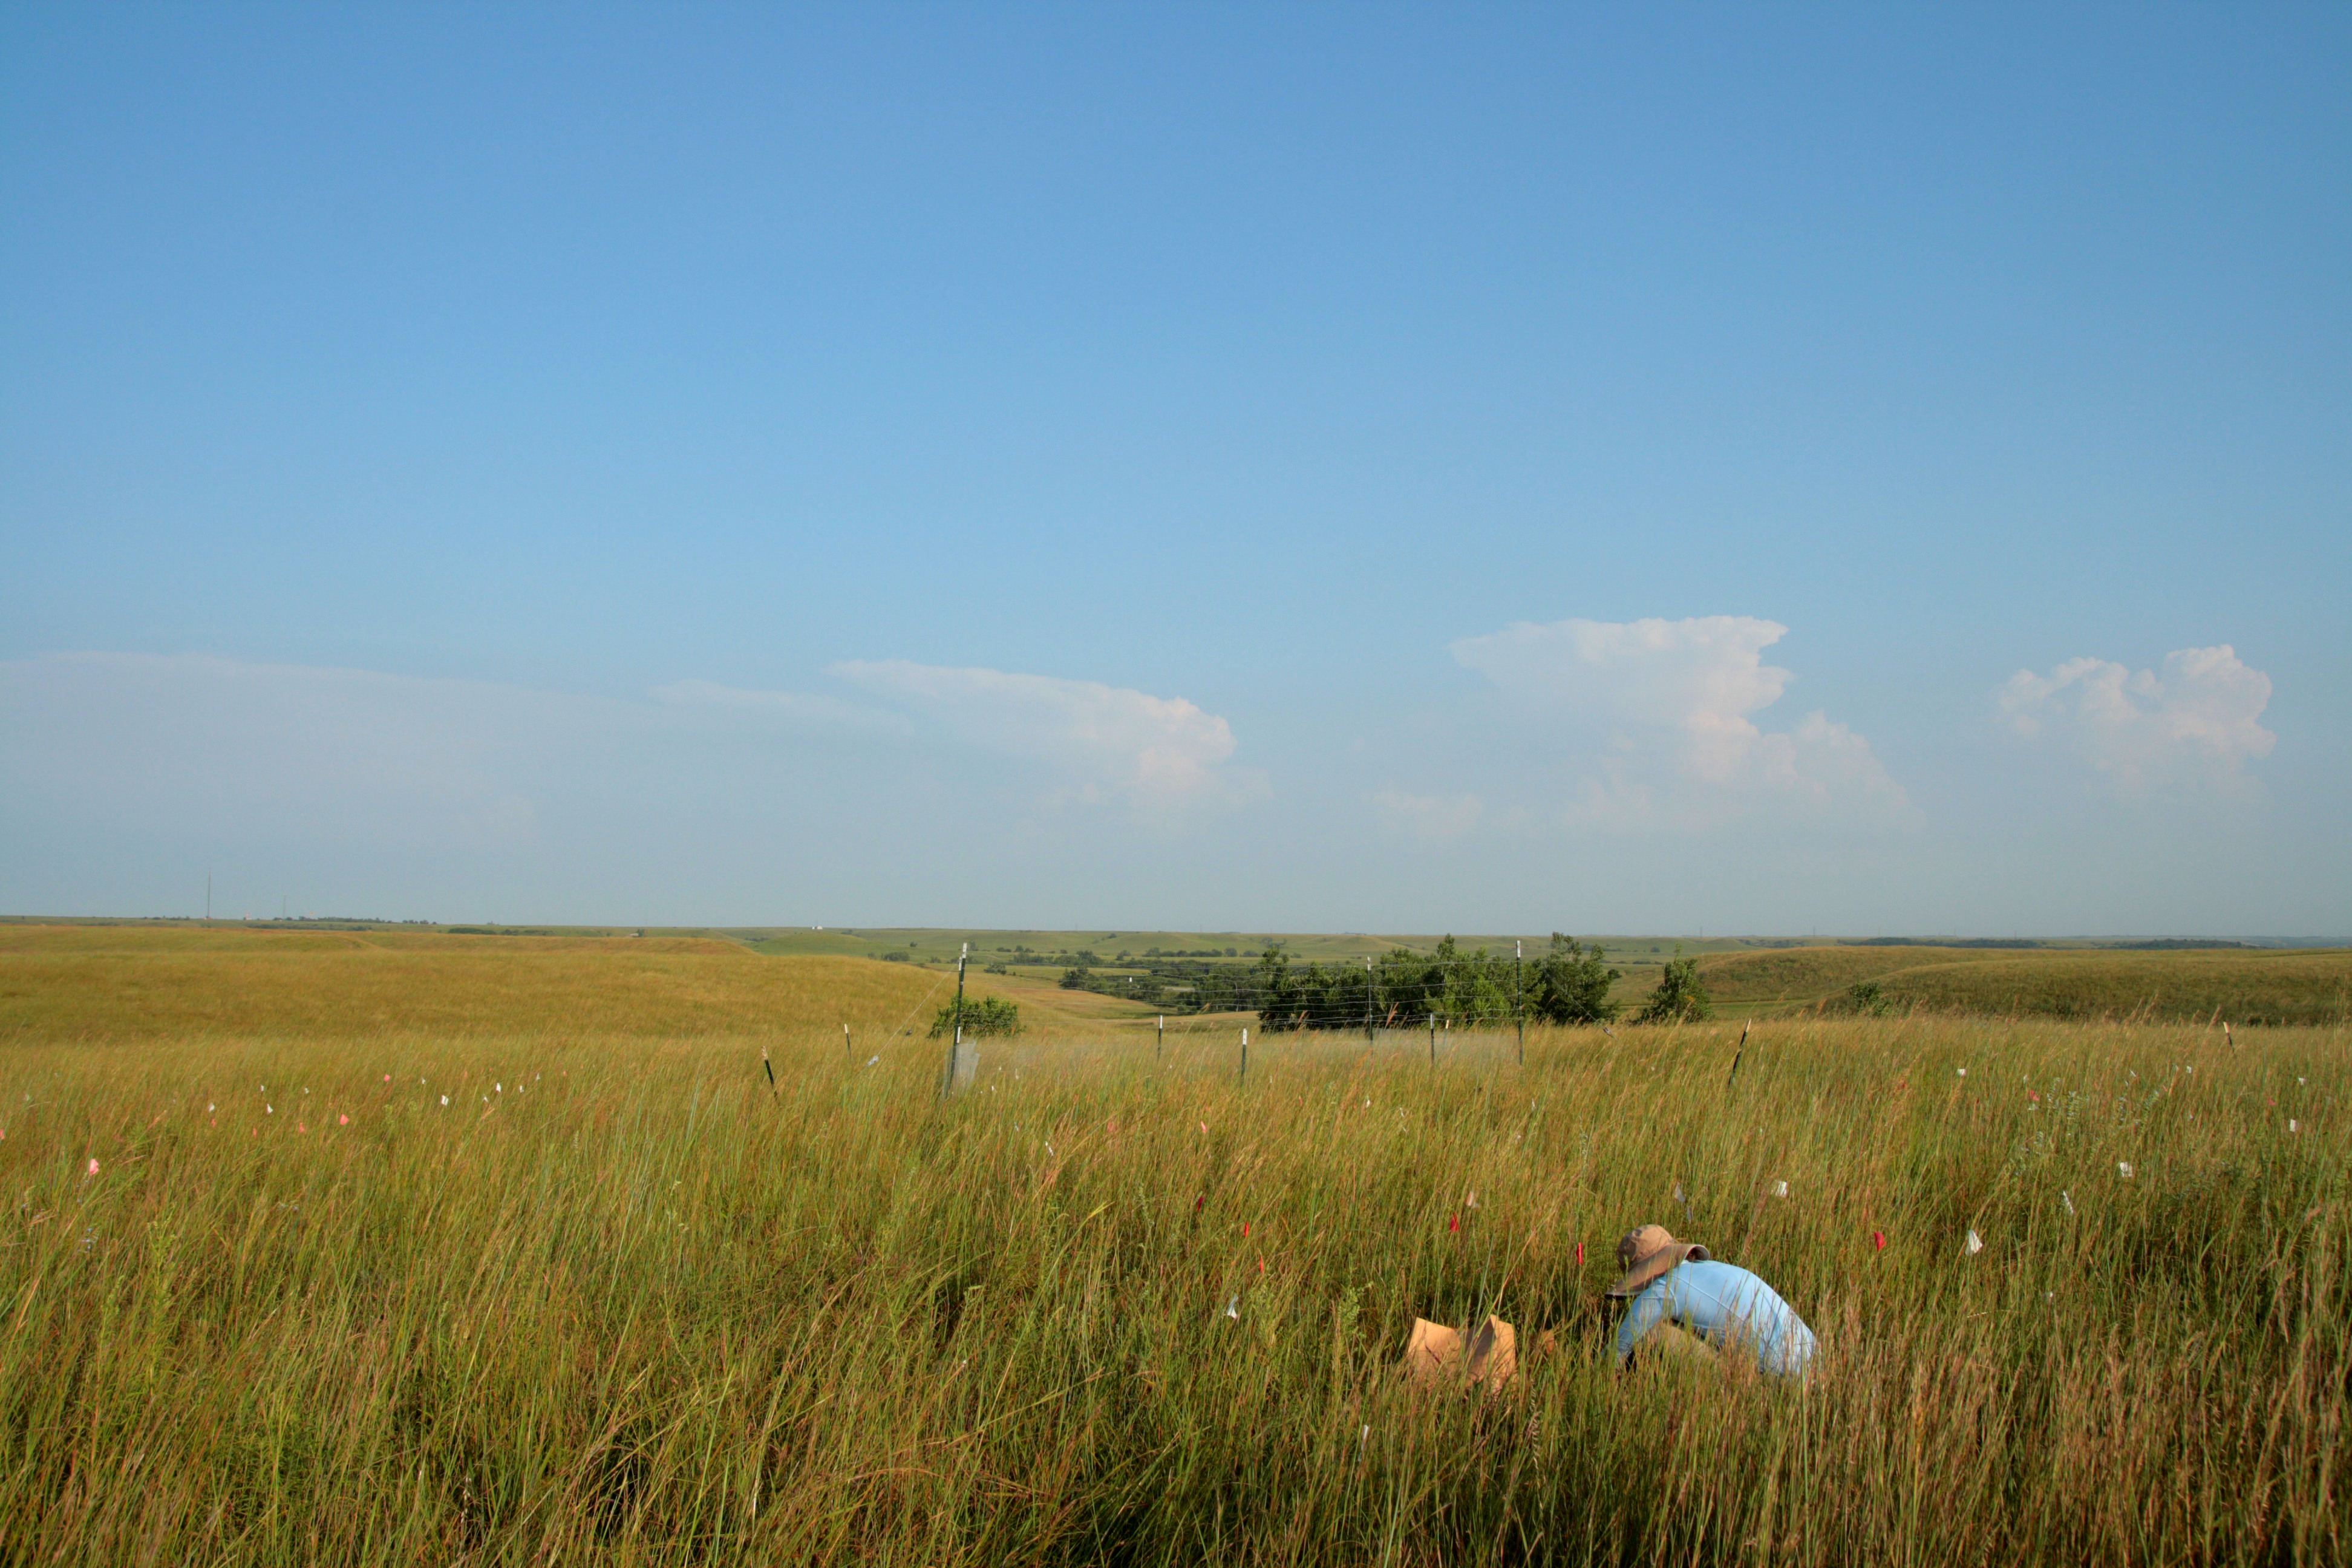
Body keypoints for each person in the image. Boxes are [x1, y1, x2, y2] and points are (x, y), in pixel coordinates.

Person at [1607, 1224, 1817, 1379]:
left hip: (1779, 1381)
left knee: (1655, 1330)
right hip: (1818, 1368)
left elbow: (1618, 1349)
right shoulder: (1724, 1270)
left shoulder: (1668, 1286)